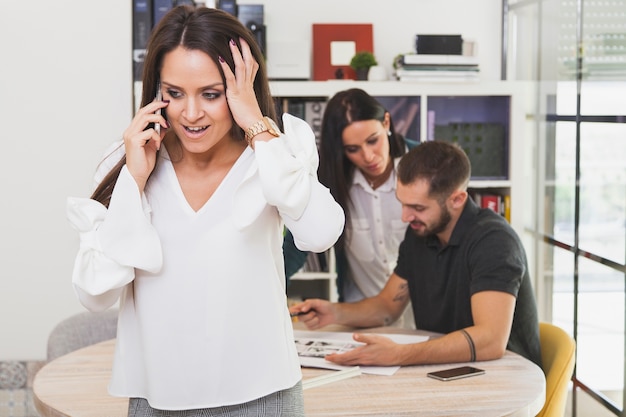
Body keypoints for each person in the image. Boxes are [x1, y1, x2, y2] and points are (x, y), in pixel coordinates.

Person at [66, 6, 344, 417]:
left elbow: (320, 233)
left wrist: (255, 123)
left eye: (211, 94)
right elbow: (95, 294)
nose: (191, 114)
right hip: (156, 398)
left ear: (240, 88)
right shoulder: (130, 162)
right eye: (174, 93)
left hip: (264, 397)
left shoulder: (272, 155)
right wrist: (134, 181)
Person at [289, 140, 542, 368]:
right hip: (450, 369)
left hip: (504, 377)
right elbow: (387, 306)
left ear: (457, 199)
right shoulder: (420, 234)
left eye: (418, 207)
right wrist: (335, 312)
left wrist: (399, 354)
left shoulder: (495, 242)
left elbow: (490, 341)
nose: (405, 217)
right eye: (403, 203)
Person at [284, 88, 418, 328]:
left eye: (373, 141)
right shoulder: (330, 181)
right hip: (361, 320)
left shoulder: (425, 164)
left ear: (386, 122)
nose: (368, 156)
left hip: (426, 320)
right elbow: (293, 250)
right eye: (353, 149)